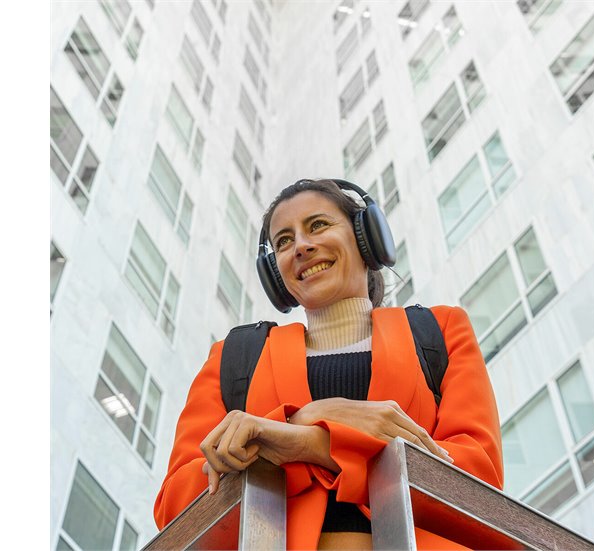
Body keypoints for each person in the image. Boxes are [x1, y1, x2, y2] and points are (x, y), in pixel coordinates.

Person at [154, 179, 503, 550]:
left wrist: (312, 440)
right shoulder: (234, 356)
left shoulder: (439, 330)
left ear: (366, 237)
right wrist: (301, 421)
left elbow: (478, 478)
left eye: (317, 225)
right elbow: (176, 505)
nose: (300, 246)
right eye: (284, 241)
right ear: (276, 274)